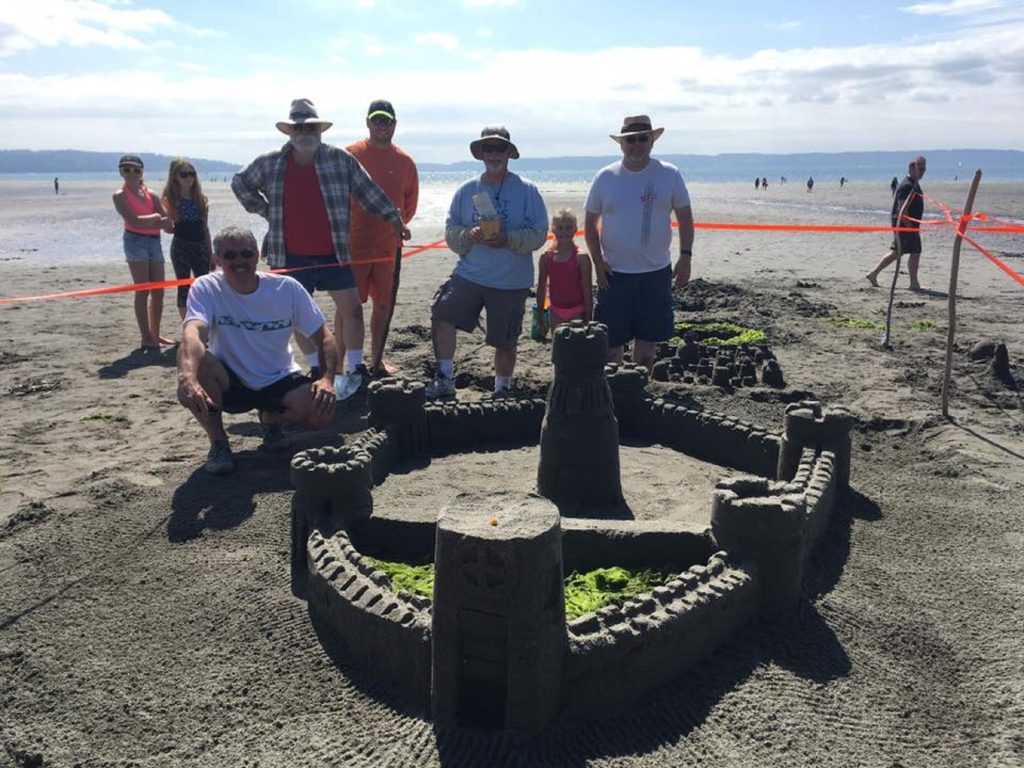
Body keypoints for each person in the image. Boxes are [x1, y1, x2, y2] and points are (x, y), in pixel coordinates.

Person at [232, 98, 409, 394]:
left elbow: (369, 192)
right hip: (289, 254)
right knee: (298, 317)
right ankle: (316, 367)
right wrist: (268, 211)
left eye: (311, 126)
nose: (305, 132)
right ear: (290, 131)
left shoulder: (339, 159)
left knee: (352, 310)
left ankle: (355, 368)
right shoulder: (271, 161)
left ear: (320, 130)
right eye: (299, 127)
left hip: (334, 252)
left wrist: (395, 220)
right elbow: (240, 183)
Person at [176, 226, 339, 475]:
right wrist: (186, 377)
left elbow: (325, 338)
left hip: (278, 377)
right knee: (200, 367)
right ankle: (218, 442)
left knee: (320, 415)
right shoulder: (206, 287)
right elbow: (193, 334)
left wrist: (327, 379)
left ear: (258, 254)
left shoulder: (287, 288)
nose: (239, 261)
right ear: (216, 259)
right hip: (231, 381)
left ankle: (271, 418)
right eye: (229, 256)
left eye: (246, 253)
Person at [426, 126, 548, 399]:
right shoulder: (466, 190)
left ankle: (501, 389)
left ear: (509, 152)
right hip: (470, 274)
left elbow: (539, 233)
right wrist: (469, 235)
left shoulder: (527, 190)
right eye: (488, 148)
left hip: (511, 280)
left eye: (499, 148)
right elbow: (451, 234)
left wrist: (508, 239)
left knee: (505, 339)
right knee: (442, 314)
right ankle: (445, 378)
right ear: (481, 153)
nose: (494, 154)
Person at [584, 115, 694, 371]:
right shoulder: (605, 177)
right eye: (630, 140)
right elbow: (589, 225)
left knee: (647, 346)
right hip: (614, 274)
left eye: (642, 138)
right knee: (611, 346)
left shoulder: (669, 174)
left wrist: (685, 257)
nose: (636, 144)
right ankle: (611, 396)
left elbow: (686, 219)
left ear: (651, 141)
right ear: (621, 144)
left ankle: (639, 390)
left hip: (656, 274)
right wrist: (598, 263)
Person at [345, 99, 419, 376]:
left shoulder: (404, 162)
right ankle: (347, 362)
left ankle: (377, 359)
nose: (381, 126)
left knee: (384, 304)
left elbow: (409, 204)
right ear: (368, 122)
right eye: (376, 120)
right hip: (354, 245)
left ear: (394, 124)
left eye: (386, 121)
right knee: (350, 307)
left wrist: (394, 227)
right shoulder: (351, 154)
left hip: (389, 247)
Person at [111, 154, 172, 351]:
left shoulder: (151, 194)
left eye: (135, 170)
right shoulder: (120, 195)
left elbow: (167, 222)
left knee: (159, 291)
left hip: (154, 241)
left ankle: (155, 333)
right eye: (126, 170)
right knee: (142, 289)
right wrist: (154, 217)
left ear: (142, 172)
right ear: (121, 172)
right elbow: (133, 220)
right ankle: (146, 336)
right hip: (135, 241)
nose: (131, 174)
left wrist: (154, 220)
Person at [161, 158, 214, 321]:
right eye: (184, 174)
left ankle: (205, 320)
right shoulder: (170, 199)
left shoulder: (201, 199)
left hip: (200, 245)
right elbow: (168, 228)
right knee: (184, 285)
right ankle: (187, 323)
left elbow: (205, 227)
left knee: (203, 284)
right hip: (181, 245)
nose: (189, 178)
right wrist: (168, 221)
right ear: (175, 177)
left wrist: (211, 252)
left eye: (191, 174)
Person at [866, 156, 927, 291]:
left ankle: (874, 273)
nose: (922, 172)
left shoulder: (914, 184)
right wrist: (910, 227)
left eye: (924, 169)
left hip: (909, 226)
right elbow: (902, 210)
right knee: (906, 252)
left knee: (904, 252)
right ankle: (913, 283)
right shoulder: (906, 185)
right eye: (920, 169)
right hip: (904, 225)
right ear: (912, 169)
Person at [536, 208, 593, 336]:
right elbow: (541, 288)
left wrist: (589, 317)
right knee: (559, 347)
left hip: (577, 310)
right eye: (560, 227)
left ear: (575, 229)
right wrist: (540, 315)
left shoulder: (581, 257)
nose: (564, 231)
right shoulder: (546, 257)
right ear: (553, 229)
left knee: (576, 345)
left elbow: (587, 289)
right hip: (556, 310)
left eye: (569, 228)